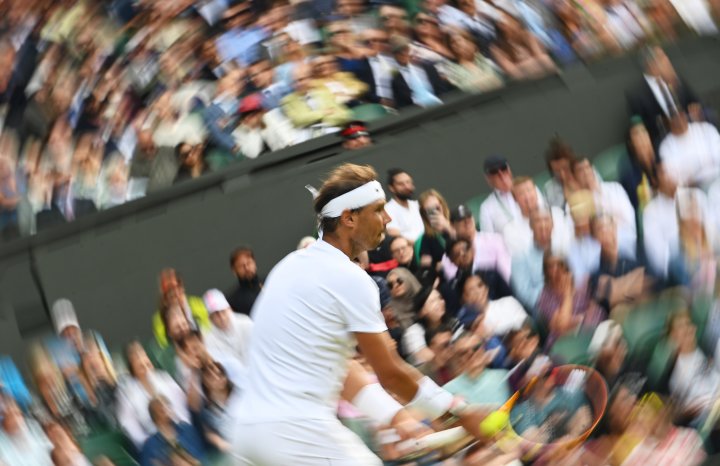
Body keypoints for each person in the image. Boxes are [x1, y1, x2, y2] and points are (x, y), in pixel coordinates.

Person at [228, 163, 488, 465]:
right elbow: (389, 372)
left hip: (245, 436)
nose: (388, 217)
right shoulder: (351, 279)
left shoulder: (287, 267)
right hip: (297, 431)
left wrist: (394, 415)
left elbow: (340, 371)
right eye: (378, 210)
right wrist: (455, 412)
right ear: (349, 218)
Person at [117, 341, 190, 449]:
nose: (142, 359)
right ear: (130, 367)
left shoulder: (164, 378)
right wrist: (148, 443)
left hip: (181, 432)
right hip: (155, 443)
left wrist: (184, 430)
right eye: (136, 358)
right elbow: (130, 425)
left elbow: (183, 409)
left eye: (143, 354)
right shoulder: (126, 393)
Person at [389, 35, 452, 109]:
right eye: (398, 52)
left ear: (409, 49)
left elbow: (442, 90)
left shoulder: (428, 68)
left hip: (441, 106)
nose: (402, 53)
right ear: (394, 56)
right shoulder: (396, 81)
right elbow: (402, 106)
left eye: (404, 49)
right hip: (419, 114)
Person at [141, 396, 206, 466]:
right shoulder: (150, 446)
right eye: (161, 410)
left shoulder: (186, 428)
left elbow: (202, 456)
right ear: (155, 418)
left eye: (168, 406)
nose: (167, 410)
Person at [202, 289, 253, 365]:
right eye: (216, 314)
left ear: (229, 309)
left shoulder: (246, 323)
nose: (221, 317)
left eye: (223, 311)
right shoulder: (208, 339)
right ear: (210, 318)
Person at [478, 155, 521, 234]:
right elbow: (490, 241)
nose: (501, 175)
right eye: (494, 172)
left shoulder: (528, 188)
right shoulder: (486, 208)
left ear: (509, 170)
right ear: (488, 179)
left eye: (503, 168)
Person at [384, 168, 425, 242]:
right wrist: (421, 246)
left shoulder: (417, 205)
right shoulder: (387, 209)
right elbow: (395, 236)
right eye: (401, 184)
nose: (406, 187)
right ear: (391, 188)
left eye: (408, 182)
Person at [226, 246, 263, 316]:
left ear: (254, 263)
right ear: (234, 271)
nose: (246, 268)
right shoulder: (232, 299)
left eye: (249, 263)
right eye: (241, 266)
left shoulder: (269, 282)